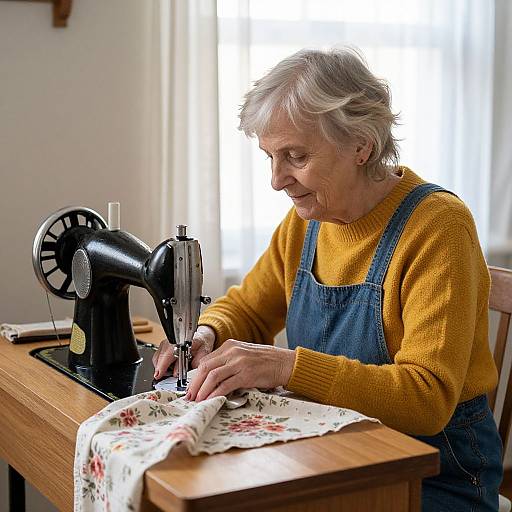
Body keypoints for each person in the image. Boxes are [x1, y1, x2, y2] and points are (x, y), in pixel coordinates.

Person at [153, 47, 503, 510]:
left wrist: (285, 366)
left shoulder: (438, 227)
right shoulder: (307, 221)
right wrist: (206, 331)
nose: (277, 180)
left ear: (362, 145)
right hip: (332, 453)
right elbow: (249, 307)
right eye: (270, 157)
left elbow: (427, 397)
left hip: (435, 475)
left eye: (295, 156)